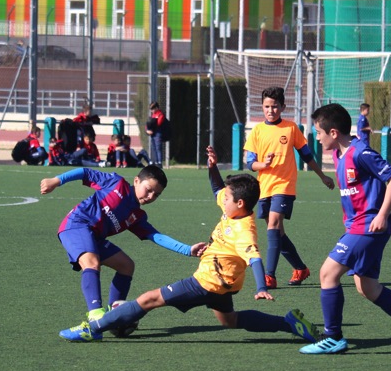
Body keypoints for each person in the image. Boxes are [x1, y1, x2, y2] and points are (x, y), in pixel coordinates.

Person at [59, 145, 322, 345]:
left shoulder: (244, 229)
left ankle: (91, 328)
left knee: (149, 299)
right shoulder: (235, 210)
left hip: (205, 282)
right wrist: (212, 167)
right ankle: (289, 323)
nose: (222, 199)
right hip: (223, 285)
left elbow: (254, 256)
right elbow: (217, 189)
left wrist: (262, 286)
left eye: (227, 198)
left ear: (239, 203)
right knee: (230, 320)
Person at [299, 103, 391, 355]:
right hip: (359, 227)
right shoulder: (340, 154)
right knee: (367, 287)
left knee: (327, 274)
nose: (316, 138)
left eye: (318, 133)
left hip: (368, 226)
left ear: (332, 133)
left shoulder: (360, 152)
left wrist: (382, 214)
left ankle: (333, 337)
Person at [41, 164, 201, 331]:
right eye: (148, 189)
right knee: (92, 262)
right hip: (76, 225)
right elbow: (85, 172)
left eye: (156, 194)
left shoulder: (136, 216)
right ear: (137, 181)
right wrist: (56, 180)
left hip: (94, 237)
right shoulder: (116, 184)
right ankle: (96, 315)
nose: (151, 196)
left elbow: (156, 236)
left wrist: (188, 250)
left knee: (126, 266)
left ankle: (114, 314)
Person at [244, 86, 335, 289]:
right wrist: (263, 165)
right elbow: (250, 163)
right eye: (267, 106)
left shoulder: (291, 128)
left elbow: (307, 155)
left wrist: (322, 176)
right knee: (277, 232)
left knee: (274, 226)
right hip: (264, 187)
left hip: (284, 186)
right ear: (262, 107)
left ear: (283, 107)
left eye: (275, 106)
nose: (271, 110)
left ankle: (269, 276)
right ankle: (300, 268)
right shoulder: (257, 131)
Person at [145, 101, 168, 167]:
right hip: (152, 134)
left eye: (153, 108)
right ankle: (155, 161)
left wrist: (152, 129)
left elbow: (158, 123)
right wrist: (147, 130)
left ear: (157, 108)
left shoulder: (160, 114)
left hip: (158, 133)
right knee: (154, 148)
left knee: (158, 148)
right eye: (151, 109)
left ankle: (159, 162)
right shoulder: (152, 115)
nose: (152, 110)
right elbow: (147, 124)